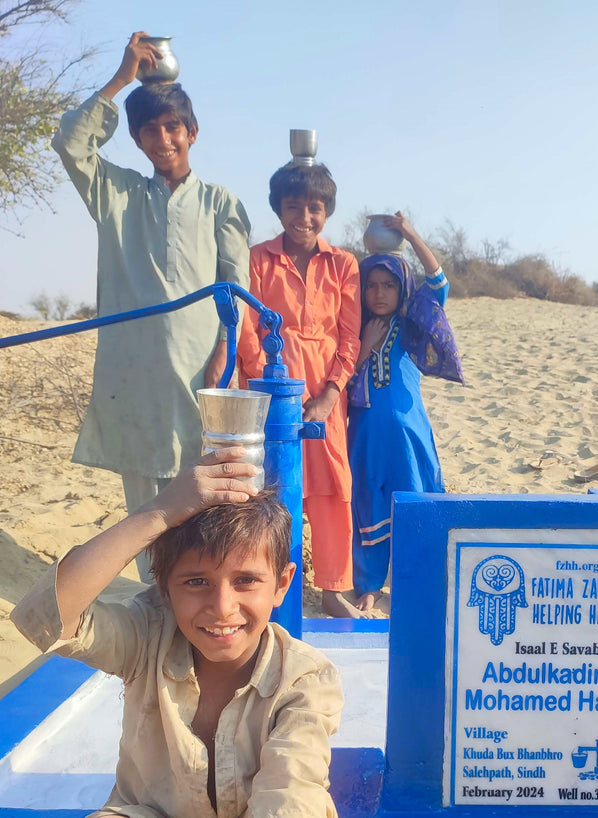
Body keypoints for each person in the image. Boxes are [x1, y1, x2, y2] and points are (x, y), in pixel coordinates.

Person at [11, 448, 343, 817]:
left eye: (246, 580)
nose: (222, 606)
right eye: (197, 581)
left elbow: (290, 796)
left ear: (282, 584)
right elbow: (44, 617)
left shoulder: (303, 678)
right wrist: (160, 511)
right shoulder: (146, 637)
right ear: (165, 590)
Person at [52, 32, 250, 581]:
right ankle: (155, 618)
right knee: (146, 515)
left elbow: (237, 291)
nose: (163, 139)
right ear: (136, 140)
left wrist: (224, 353)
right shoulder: (115, 194)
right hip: (135, 381)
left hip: (199, 382)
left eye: (172, 128)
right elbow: (70, 142)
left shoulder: (220, 203)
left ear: (192, 132)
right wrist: (121, 79)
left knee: (205, 510)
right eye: (149, 131)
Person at [236, 162, 360, 618]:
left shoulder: (343, 264)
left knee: (332, 488)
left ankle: (332, 587)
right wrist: (265, 381)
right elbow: (249, 325)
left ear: (326, 211)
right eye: (294, 206)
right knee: (274, 487)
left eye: (314, 207)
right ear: (278, 208)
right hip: (271, 387)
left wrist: (329, 394)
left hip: (327, 396)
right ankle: (272, 584)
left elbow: (349, 335)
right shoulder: (257, 259)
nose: (304, 217)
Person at [348, 213, 462, 613]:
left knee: (415, 502)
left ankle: (416, 580)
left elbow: (439, 282)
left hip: (409, 435)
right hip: (365, 435)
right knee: (368, 503)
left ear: (402, 288)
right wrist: (362, 347)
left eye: (389, 285)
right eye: (371, 286)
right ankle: (368, 585)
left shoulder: (414, 323)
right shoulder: (350, 329)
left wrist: (410, 233)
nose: (379, 294)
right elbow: (337, 377)